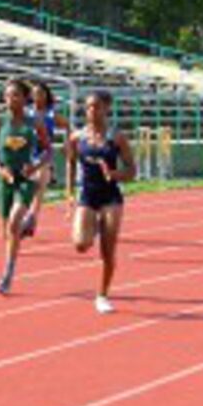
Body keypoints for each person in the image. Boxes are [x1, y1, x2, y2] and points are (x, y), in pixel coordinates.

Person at [66, 91, 136, 314]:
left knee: (108, 251)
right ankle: (93, 227)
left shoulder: (117, 138)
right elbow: (69, 162)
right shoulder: (76, 137)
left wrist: (113, 174)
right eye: (88, 107)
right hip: (87, 195)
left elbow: (132, 171)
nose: (91, 111)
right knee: (80, 245)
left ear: (107, 108)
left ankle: (102, 295)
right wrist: (69, 192)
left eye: (96, 107)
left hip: (110, 197)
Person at [0, 78, 50, 294]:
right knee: (7, 232)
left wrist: (34, 167)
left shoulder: (35, 122)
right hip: (6, 180)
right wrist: (0, 170)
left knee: (14, 222)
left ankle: (8, 274)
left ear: (25, 98)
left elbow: (48, 150)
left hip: (25, 179)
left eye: (16, 95)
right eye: (8, 95)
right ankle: (12, 259)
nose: (11, 99)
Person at [21, 81, 70, 237]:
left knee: (39, 187)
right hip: (26, 155)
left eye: (41, 93)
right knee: (27, 189)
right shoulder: (25, 112)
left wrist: (66, 143)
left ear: (46, 96)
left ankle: (31, 218)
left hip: (44, 155)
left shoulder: (51, 114)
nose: (37, 97)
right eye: (35, 93)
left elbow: (68, 126)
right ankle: (26, 216)